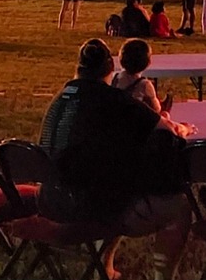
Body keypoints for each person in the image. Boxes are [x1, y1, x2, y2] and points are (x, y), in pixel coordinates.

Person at [38, 40, 191, 280]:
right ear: (110, 67)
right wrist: (180, 130)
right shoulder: (114, 101)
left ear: (78, 68)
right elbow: (165, 130)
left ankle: (105, 267)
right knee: (179, 206)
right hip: (91, 205)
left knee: (116, 182)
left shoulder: (60, 100)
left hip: (51, 199)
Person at [112, 38, 165, 117]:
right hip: (135, 121)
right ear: (148, 63)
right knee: (165, 115)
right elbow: (156, 109)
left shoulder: (114, 78)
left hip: (116, 118)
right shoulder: (145, 84)